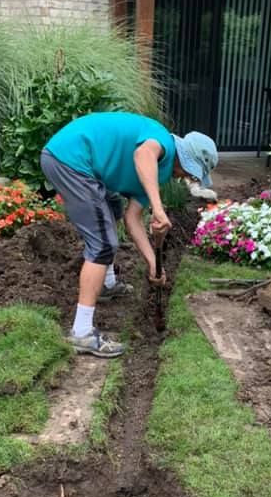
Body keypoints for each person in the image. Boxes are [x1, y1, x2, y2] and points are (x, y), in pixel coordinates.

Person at [41, 111, 218, 358]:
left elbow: (132, 219)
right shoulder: (162, 142)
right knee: (102, 244)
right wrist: (158, 208)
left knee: (113, 208)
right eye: (189, 172)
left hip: (81, 164)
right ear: (185, 158)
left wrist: (154, 265)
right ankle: (81, 333)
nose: (185, 177)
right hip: (70, 159)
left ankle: (107, 283)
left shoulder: (162, 173)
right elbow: (142, 154)